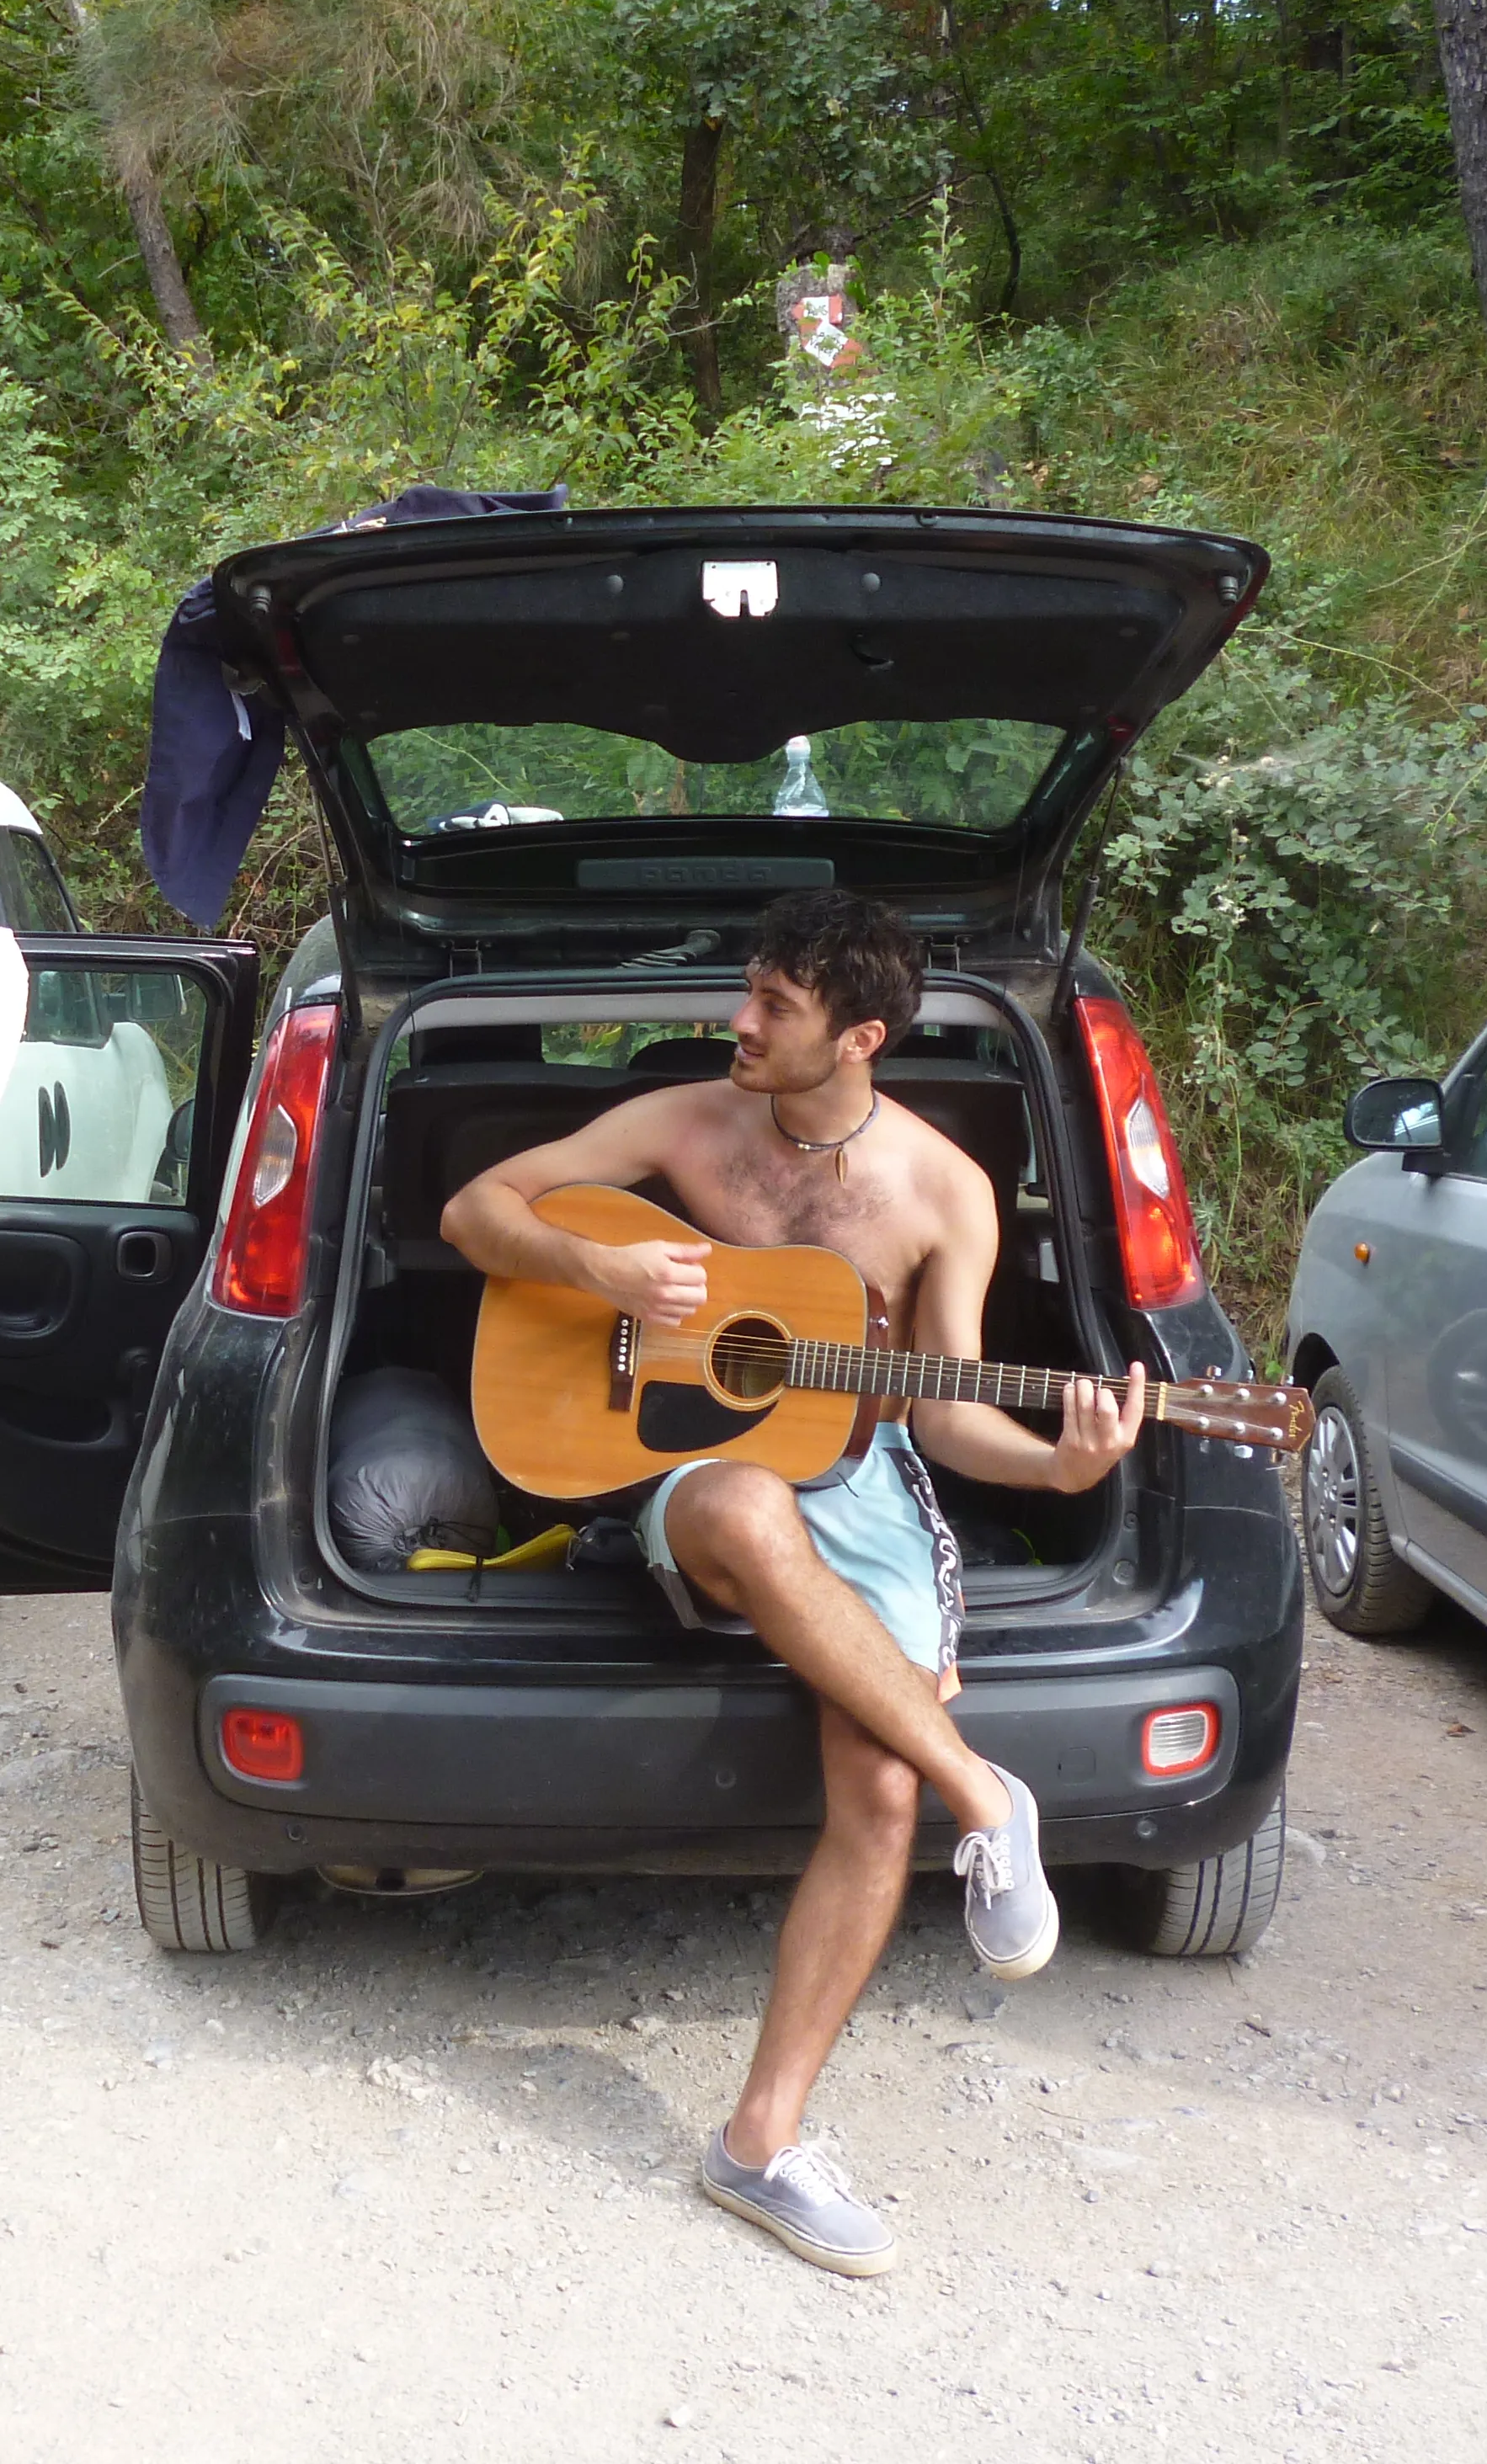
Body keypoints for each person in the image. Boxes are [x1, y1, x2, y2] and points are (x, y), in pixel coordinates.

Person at [440, 889, 1146, 2280]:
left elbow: (944, 1412)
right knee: (755, 1501)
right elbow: (476, 1209)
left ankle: (759, 2144)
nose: (737, 1024)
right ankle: (984, 1793)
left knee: (874, 1789)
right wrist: (603, 1267)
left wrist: (1065, 1473)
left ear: (863, 1036)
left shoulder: (944, 1191)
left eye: (774, 1008)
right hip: (699, 1481)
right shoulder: (689, 1121)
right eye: (746, 992)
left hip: (869, 1484)